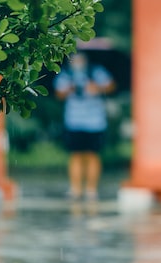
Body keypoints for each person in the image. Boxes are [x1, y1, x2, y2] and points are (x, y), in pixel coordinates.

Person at [54, 52, 115, 201]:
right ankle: (75, 189)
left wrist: (98, 88)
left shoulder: (96, 71)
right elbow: (58, 94)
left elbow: (111, 86)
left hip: (95, 121)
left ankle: (91, 189)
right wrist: (70, 89)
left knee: (92, 155)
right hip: (74, 120)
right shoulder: (66, 75)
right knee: (75, 155)